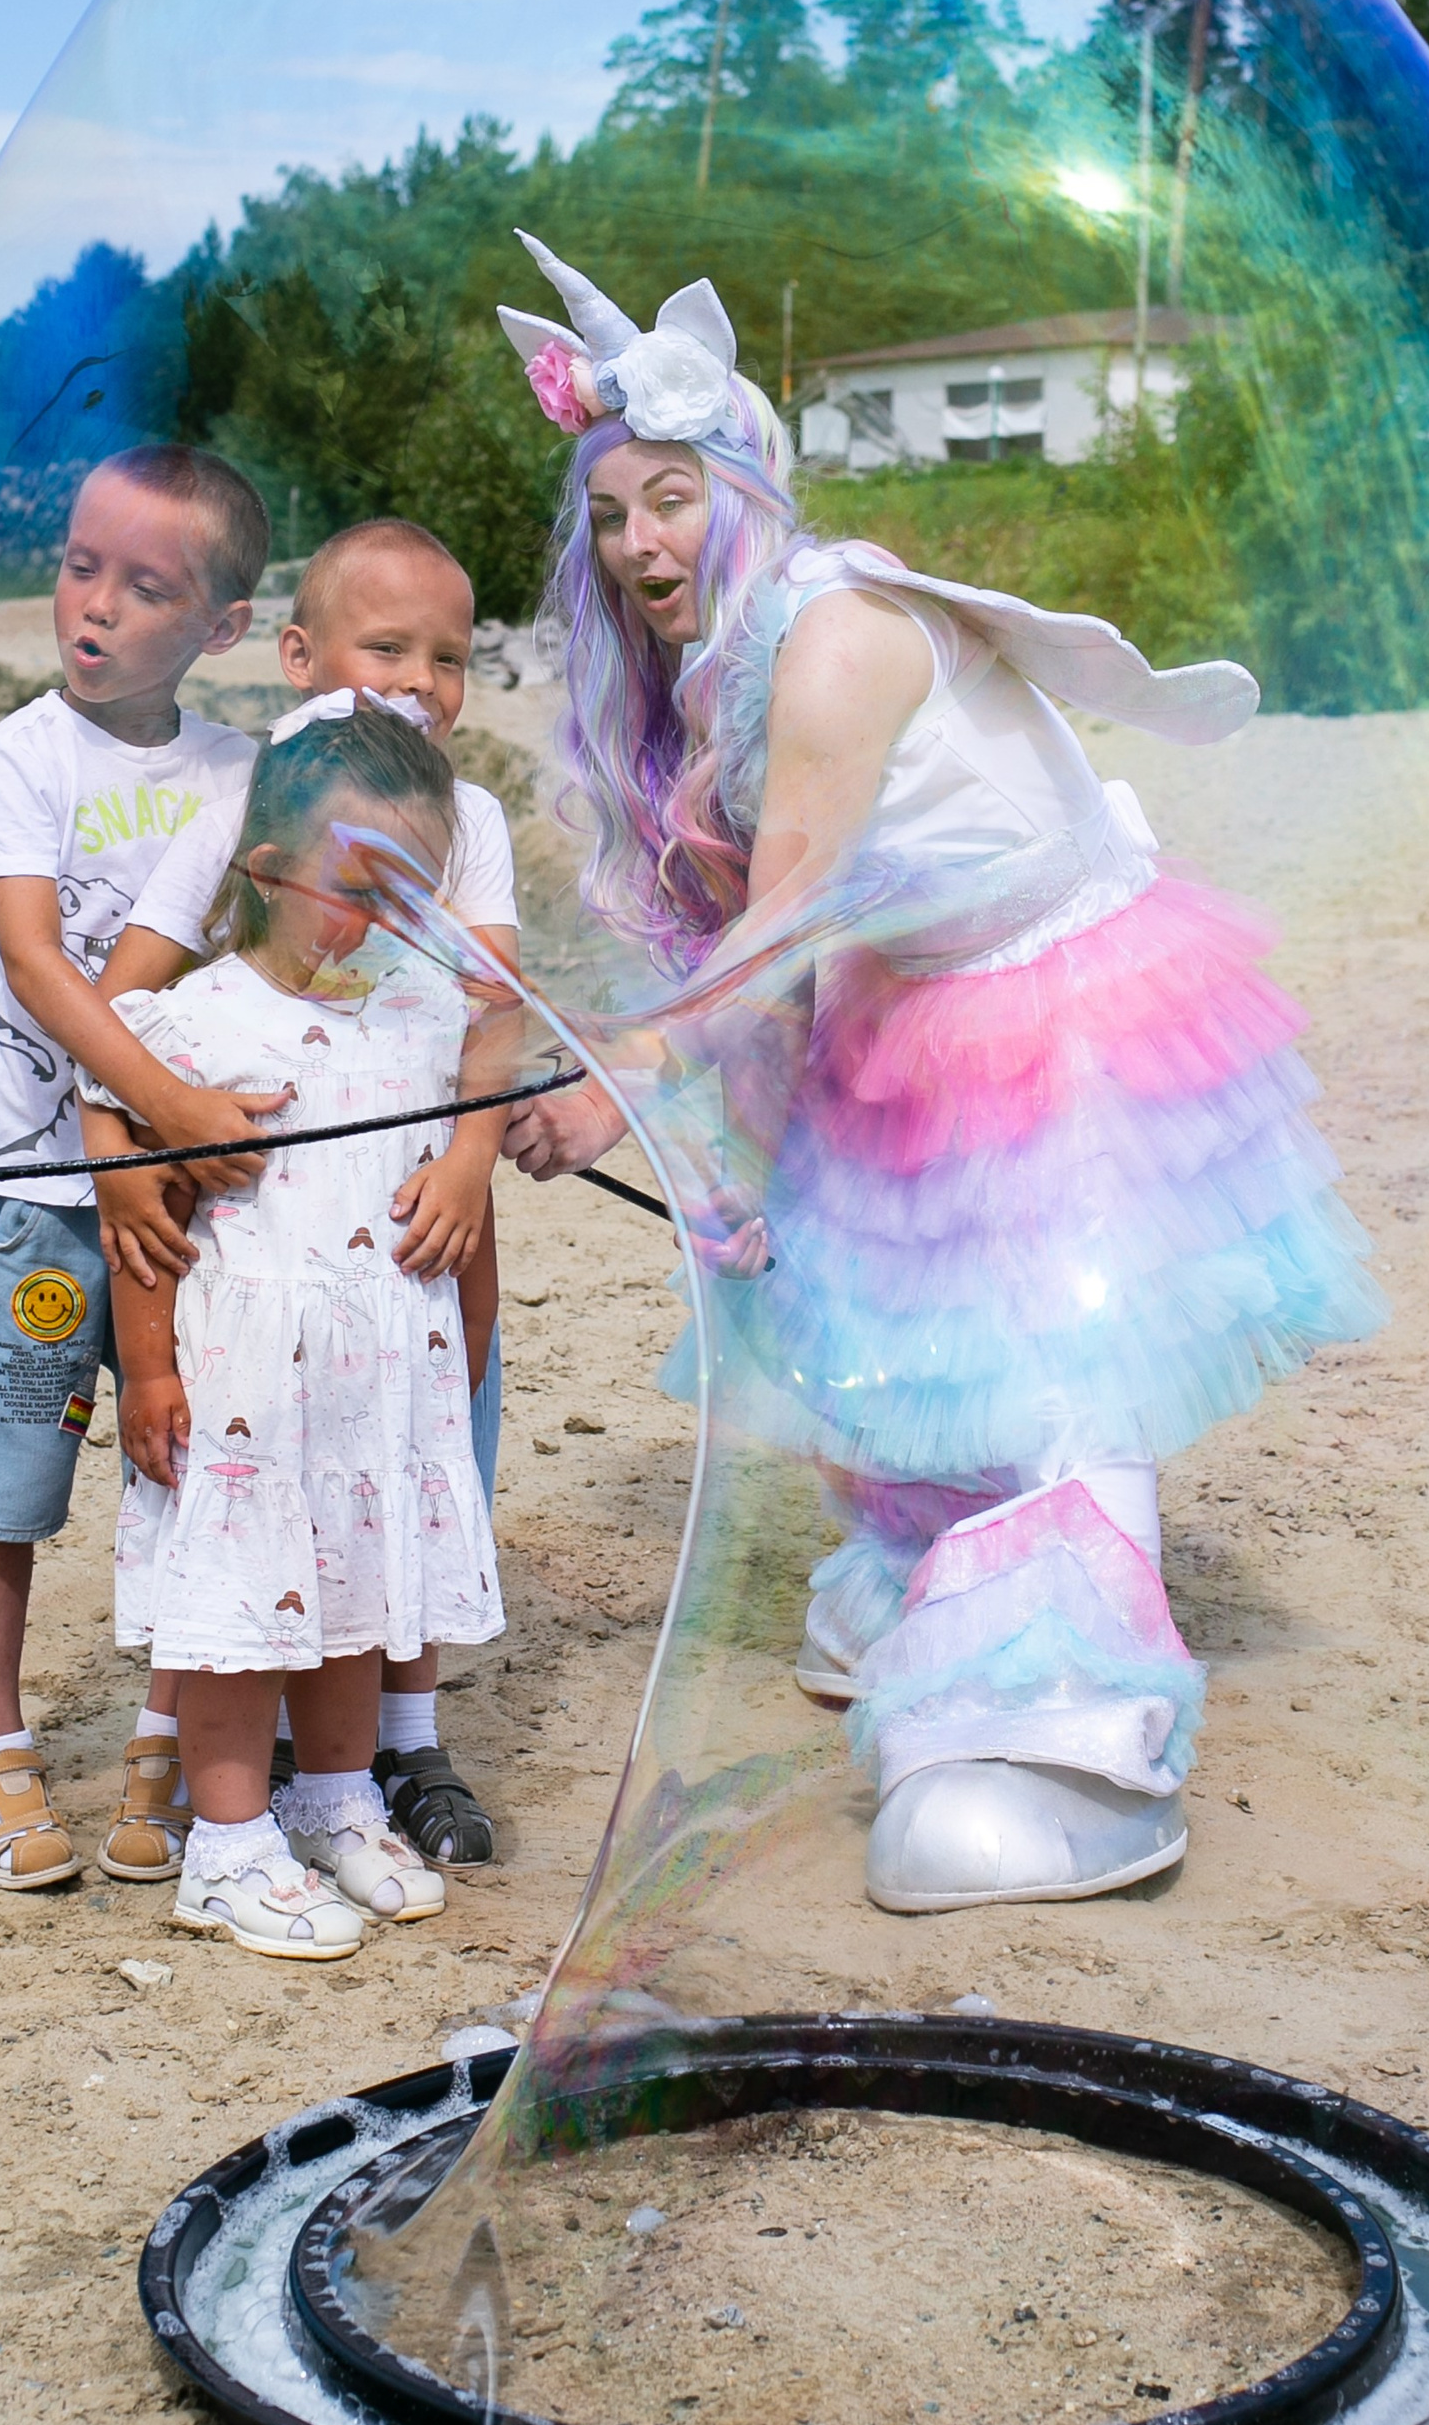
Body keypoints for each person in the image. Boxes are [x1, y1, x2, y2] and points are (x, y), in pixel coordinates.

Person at [495, 233, 1383, 1915]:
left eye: (670, 499)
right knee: (887, 1301)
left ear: (744, 483)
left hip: (1049, 988)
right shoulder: (713, 666)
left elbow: (779, 921)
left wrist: (626, 1070)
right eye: (610, 514)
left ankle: (1076, 1728)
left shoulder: (831, 639)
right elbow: (769, 957)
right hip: (908, 983)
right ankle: (928, 1567)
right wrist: (699, 1126)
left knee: (1046, 1327)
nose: (636, 545)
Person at [86, 516, 519, 1864]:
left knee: (419, 1455)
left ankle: (406, 1741)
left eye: (447, 657)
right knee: (279, 1471)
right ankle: (265, 1755)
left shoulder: (472, 812)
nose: (420, 681)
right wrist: (134, 1159)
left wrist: (468, 1155)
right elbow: (123, 1008)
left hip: (413, 1158)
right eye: (385, 647)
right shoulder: (245, 793)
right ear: (299, 655)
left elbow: (491, 1007)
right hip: (270, 1161)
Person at [0, 441, 282, 1894]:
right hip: (43, 1186)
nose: (94, 604)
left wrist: (197, 1131)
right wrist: (160, 1100)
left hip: (186, 1198)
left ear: (215, 630)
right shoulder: (19, 756)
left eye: (145, 588)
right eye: (83, 565)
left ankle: (163, 1724)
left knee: (180, 1445)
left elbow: (259, 950)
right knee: (10, 1469)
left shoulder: (238, 770)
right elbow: (34, 961)